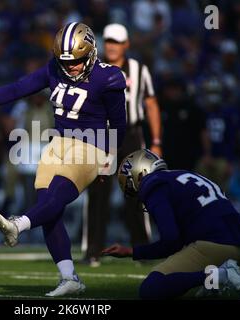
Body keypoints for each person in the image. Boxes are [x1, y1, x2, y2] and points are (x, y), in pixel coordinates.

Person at [0, 22, 126, 296]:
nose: (70, 67)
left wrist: (110, 159)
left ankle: (17, 224)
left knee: (55, 198)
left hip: (91, 146)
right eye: (65, 61)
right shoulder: (54, 68)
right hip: (58, 143)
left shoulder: (110, 78)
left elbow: (118, 125)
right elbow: (17, 88)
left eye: (77, 61)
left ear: (92, 53)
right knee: (48, 208)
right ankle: (69, 278)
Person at [102, 149, 240, 300]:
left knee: (151, 288)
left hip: (216, 245)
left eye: (130, 186)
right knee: (177, 280)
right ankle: (213, 282)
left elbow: (171, 242)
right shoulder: (182, 175)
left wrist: (133, 252)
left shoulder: (153, 185)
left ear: (138, 175)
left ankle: (220, 275)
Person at [83, 23, 162, 266]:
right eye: (108, 41)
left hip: (130, 135)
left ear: (126, 44)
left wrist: (157, 141)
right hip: (101, 136)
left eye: (116, 42)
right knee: (98, 194)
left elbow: (150, 104)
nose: (112, 46)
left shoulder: (139, 70)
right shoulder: (92, 68)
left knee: (138, 192)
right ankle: (93, 251)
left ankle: (142, 249)